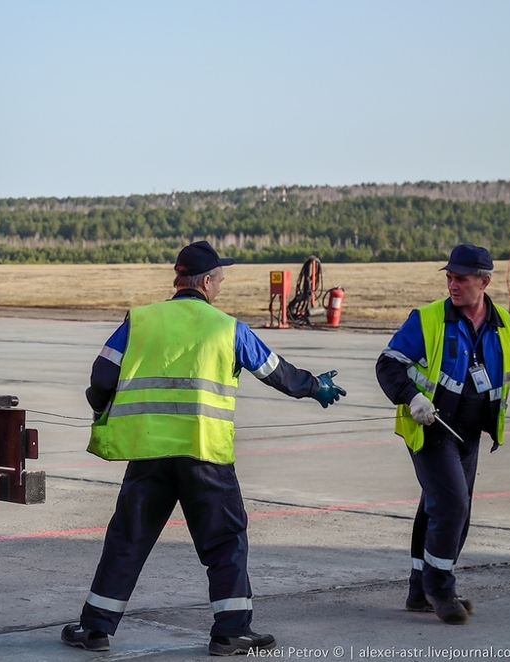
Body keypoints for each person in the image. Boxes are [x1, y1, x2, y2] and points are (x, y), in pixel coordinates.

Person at [60, 240, 347, 656]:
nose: (221, 287)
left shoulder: (140, 321)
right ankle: (231, 631)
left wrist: (105, 407)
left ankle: (96, 629)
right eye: (220, 280)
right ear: (207, 282)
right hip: (206, 456)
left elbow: (102, 376)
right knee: (225, 542)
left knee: (128, 539)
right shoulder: (228, 328)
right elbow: (275, 372)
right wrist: (314, 386)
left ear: (179, 282)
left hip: (150, 455)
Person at [376, 243, 510, 625]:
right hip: (431, 428)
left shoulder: (506, 327)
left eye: (460, 278)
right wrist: (413, 398)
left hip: (469, 434)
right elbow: (387, 365)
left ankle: (419, 590)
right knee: (452, 506)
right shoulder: (428, 319)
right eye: (449, 277)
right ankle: (440, 589)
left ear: (484, 281)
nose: (452, 284)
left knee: (443, 507)